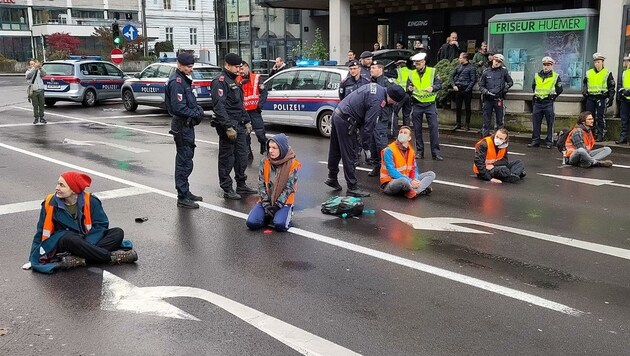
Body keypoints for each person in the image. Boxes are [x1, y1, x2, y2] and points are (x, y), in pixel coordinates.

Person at [25, 171, 137, 274]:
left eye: (62, 185)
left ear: (73, 190)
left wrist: (88, 243)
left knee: (117, 232)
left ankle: (79, 259)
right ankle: (110, 257)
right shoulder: (50, 202)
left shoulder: (91, 201)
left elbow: (101, 226)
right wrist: (33, 258)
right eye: (58, 184)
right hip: (65, 242)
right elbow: (40, 231)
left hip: (90, 240)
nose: (57, 188)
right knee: (71, 238)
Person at [325, 84, 406, 197]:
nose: (393, 104)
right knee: (350, 154)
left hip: (338, 113)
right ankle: (352, 187)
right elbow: (369, 126)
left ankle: (332, 177)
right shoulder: (377, 101)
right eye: (394, 102)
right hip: (347, 120)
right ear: (392, 98)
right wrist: (366, 147)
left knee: (336, 149)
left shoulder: (378, 88)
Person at [211, 53, 257, 200]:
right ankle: (227, 187)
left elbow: (239, 104)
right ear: (228, 65)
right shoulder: (220, 81)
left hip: (239, 124)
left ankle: (241, 184)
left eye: (240, 67)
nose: (239, 69)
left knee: (242, 156)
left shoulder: (234, 81)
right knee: (227, 158)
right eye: (236, 67)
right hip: (229, 126)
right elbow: (219, 107)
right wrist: (227, 127)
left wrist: (247, 120)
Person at [165, 52, 205, 209]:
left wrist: (198, 110)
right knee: (183, 162)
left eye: (191, 66)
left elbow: (189, 102)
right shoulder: (177, 82)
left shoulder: (184, 80)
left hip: (186, 126)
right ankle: (182, 196)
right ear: (179, 65)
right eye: (188, 67)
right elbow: (178, 107)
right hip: (182, 126)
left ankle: (185, 191)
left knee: (187, 159)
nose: (190, 69)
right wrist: (196, 113)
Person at [246, 134, 301, 232]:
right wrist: (266, 203)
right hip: (266, 200)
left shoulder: (293, 164)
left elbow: (289, 188)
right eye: (269, 147)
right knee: (251, 223)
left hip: (284, 202)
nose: (270, 150)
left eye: (274, 148)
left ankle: (283, 215)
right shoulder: (265, 161)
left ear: (282, 148)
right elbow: (261, 183)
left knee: (280, 225)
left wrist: (277, 205)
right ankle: (267, 216)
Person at [380, 126, 435, 199]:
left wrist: (414, 180)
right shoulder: (389, 150)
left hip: (408, 180)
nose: (402, 134)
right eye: (401, 132)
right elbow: (391, 171)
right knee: (403, 181)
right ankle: (417, 189)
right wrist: (410, 181)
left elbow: (414, 169)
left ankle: (414, 191)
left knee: (431, 174)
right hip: (390, 182)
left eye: (405, 133)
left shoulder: (411, 151)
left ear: (409, 138)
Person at [406, 52, 443, 161]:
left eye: (419, 63)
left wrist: (433, 87)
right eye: (415, 63)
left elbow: (439, 84)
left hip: (430, 104)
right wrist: (409, 89)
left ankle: (435, 153)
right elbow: (408, 88)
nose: (417, 65)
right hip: (417, 103)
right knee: (417, 130)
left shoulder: (433, 71)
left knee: (434, 128)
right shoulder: (411, 74)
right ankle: (420, 152)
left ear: (424, 62)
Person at [367, 60, 397, 177]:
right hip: (371, 117)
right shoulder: (370, 81)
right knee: (372, 144)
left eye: (373, 68)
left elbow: (398, 97)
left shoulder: (387, 82)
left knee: (381, 144)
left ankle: (387, 167)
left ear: (380, 69)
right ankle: (376, 166)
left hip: (382, 117)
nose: (371, 70)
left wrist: (389, 109)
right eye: (371, 68)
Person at [529, 56, 563, 149]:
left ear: (552, 66)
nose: (546, 67)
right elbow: (533, 86)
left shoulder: (555, 76)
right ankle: (535, 141)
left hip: (548, 102)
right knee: (536, 123)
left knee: (550, 123)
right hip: (538, 102)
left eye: (548, 65)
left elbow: (559, 89)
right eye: (544, 65)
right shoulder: (537, 75)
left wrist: (552, 97)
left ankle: (549, 142)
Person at [583, 52, 615, 142]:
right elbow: (585, 83)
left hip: (601, 97)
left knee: (600, 117)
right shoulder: (589, 73)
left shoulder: (607, 73)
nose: (597, 64)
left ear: (602, 62)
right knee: (589, 117)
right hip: (590, 98)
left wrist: (611, 98)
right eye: (595, 62)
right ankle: (590, 134)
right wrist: (584, 91)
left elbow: (611, 87)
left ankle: (600, 134)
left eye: (598, 62)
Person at [238, 61, 268, 158]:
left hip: (254, 111)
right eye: (239, 69)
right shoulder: (237, 80)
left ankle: (264, 148)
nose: (240, 71)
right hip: (243, 112)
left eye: (242, 69)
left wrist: (260, 105)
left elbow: (264, 92)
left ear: (247, 67)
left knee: (260, 133)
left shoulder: (256, 78)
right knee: (245, 135)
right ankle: (248, 152)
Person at [479, 53, 513, 137]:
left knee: (499, 121)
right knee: (486, 121)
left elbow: (510, 82)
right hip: (488, 99)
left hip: (498, 99)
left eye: (499, 62)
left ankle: (499, 138)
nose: (497, 63)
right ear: (492, 60)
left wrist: (505, 89)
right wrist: (486, 92)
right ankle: (485, 138)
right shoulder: (486, 72)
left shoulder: (503, 71)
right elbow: (481, 85)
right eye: (496, 61)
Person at [450, 52, 477, 131]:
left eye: (460, 58)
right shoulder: (458, 67)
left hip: (466, 89)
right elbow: (451, 76)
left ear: (465, 58)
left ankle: (467, 124)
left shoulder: (471, 68)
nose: (459, 59)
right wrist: (453, 85)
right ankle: (458, 123)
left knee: (467, 107)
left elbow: (473, 80)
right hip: (458, 88)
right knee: (458, 107)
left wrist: (468, 89)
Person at [25, 59, 46, 124]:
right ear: (29, 65)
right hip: (33, 91)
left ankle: (42, 117)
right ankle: (36, 118)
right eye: (31, 64)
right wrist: (34, 68)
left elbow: (44, 74)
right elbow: (29, 76)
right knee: (35, 105)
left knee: (42, 105)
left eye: (34, 64)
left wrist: (40, 67)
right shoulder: (28, 72)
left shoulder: (38, 71)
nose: (33, 65)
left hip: (40, 90)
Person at [616, 54, 630, 144]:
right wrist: (622, 92)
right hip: (625, 100)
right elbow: (620, 84)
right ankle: (623, 137)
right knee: (624, 120)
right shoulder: (625, 72)